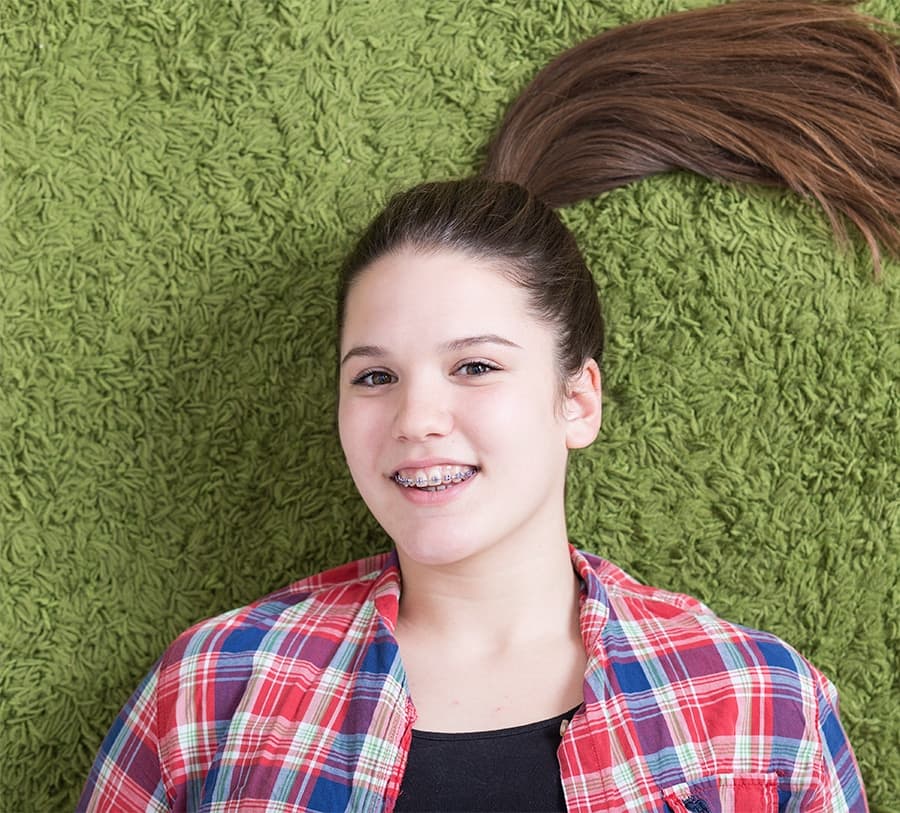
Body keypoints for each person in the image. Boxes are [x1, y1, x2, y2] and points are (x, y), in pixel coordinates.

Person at [79, 1, 899, 810]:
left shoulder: (761, 708)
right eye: (374, 376)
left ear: (577, 400)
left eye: (473, 365)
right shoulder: (212, 689)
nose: (415, 417)